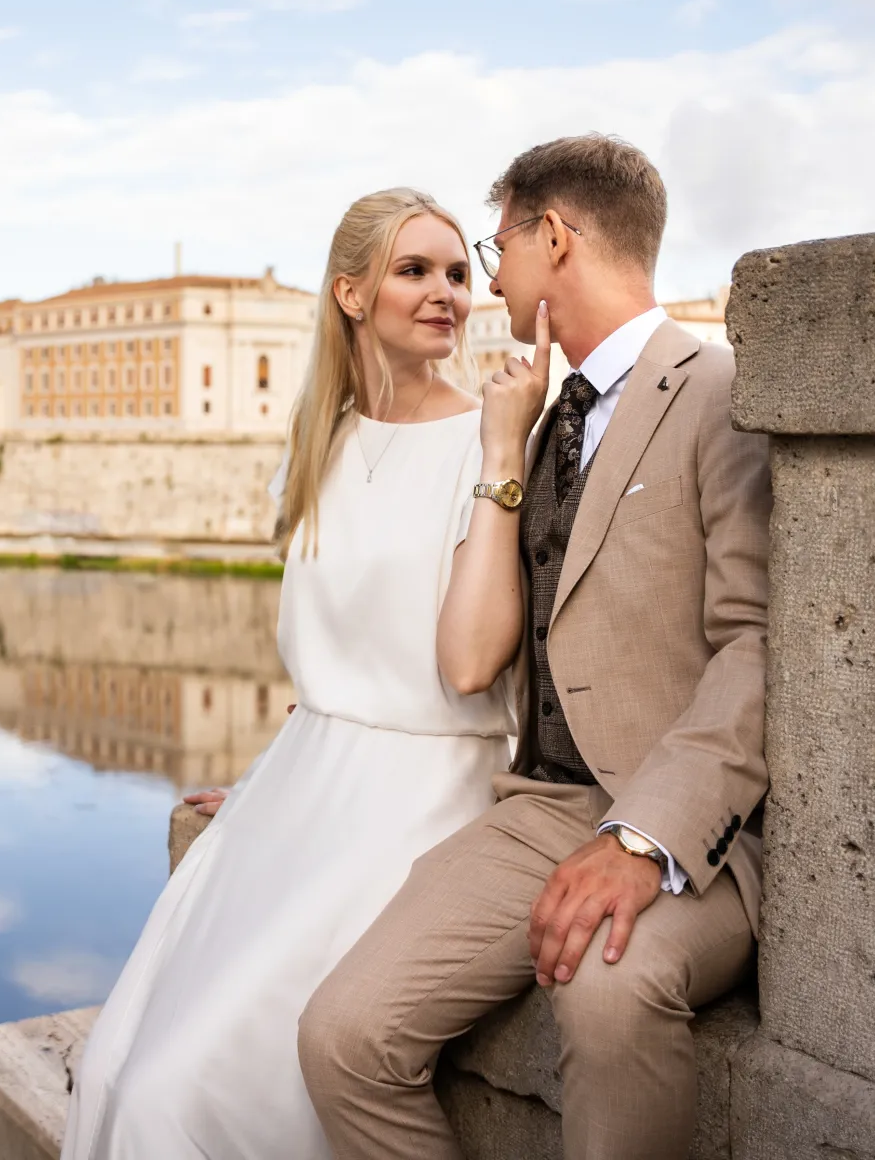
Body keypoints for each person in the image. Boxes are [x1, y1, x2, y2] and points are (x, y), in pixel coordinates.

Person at [298, 135, 772, 1160]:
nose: (487, 279)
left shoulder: (718, 390)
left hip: (689, 831)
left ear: (552, 236)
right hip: (539, 810)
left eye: (496, 247)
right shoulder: (544, 414)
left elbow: (756, 646)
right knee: (343, 1037)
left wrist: (643, 838)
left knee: (607, 986)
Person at [60, 188, 515, 1160]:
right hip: (304, 780)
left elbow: (475, 665)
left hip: (423, 795)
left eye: (457, 271)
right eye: (414, 270)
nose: (446, 291)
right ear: (351, 293)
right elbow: (331, 659)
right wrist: (275, 781)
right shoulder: (317, 444)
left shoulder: (491, 440)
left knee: (174, 1093)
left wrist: (505, 452)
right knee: (110, 1070)